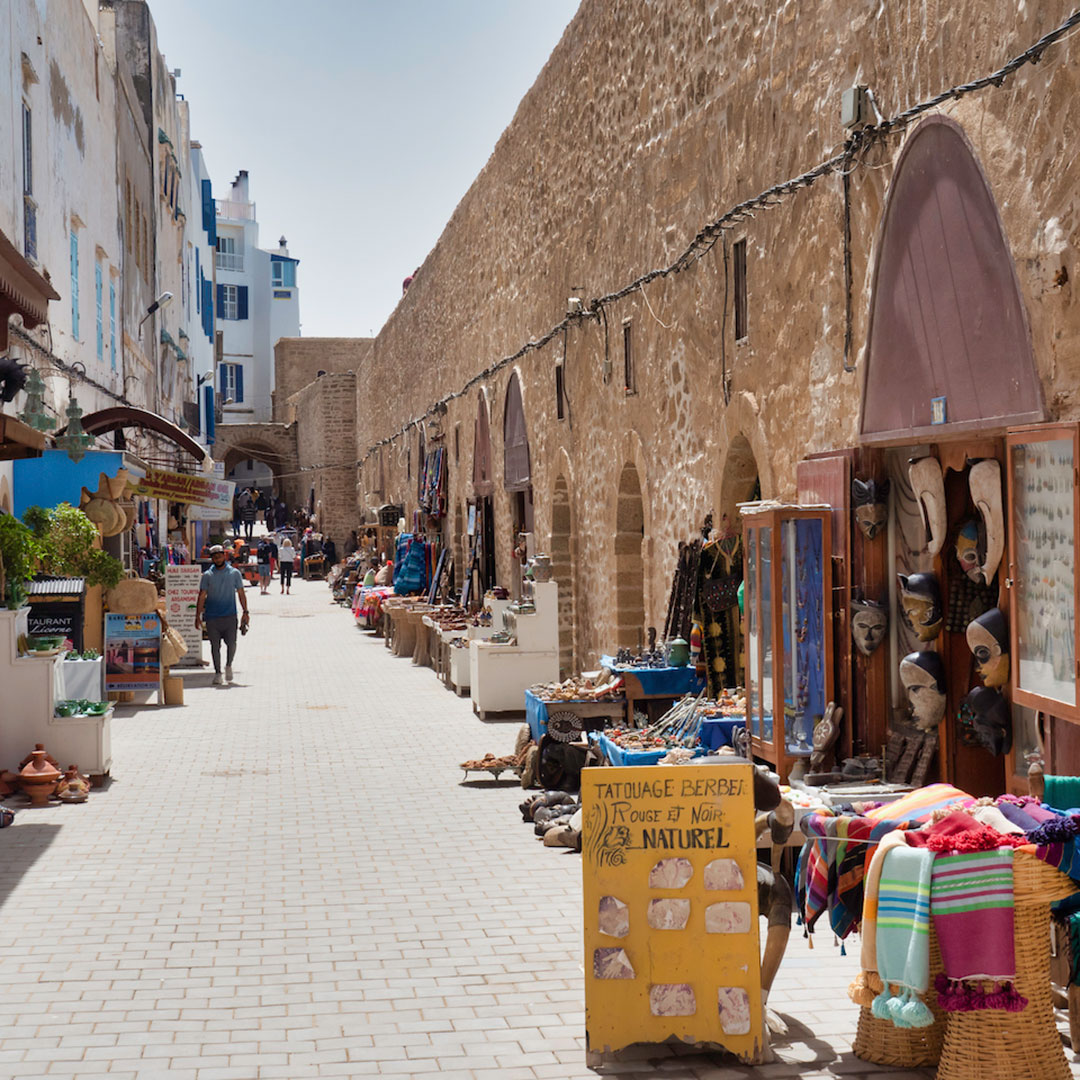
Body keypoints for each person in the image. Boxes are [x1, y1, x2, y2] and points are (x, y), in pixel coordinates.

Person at [195, 544, 249, 685]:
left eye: (219, 556)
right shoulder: (207, 576)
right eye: (214, 557)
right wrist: (198, 616)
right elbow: (201, 596)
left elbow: (241, 593)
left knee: (232, 644)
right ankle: (218, 673)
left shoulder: (234, 573)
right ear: (212, 558)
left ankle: (228, 665)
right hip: (212, 617)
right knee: (215, 646)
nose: (217, 559)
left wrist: (245, 612)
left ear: (224, 556)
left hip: (230, 616)